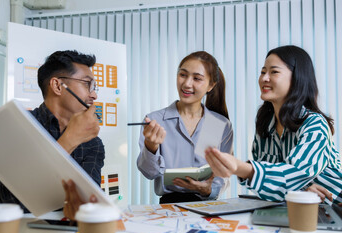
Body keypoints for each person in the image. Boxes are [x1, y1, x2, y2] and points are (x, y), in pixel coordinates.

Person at [205, 45, 342, 204]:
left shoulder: (315, 124)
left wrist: (241, 168)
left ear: (297, 78)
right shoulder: (265, 125)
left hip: (334, 209)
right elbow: (270, 187)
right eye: (263, 72)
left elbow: (297, 173)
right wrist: (301, 191)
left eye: (274, 72)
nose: (264, 78)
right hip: (295, 208)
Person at [0, 50, 104, 219]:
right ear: (58, 86)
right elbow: (9, 202)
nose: (94, 94)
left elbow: (88, 204)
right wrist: (69, 141)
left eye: (94, 87)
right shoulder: (15, 126)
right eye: (86, 84)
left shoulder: (92, 143)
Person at [137, 51, 233, 203]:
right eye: (183, 75)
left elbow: (222, 177)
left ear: (211, 85)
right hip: (169, 207)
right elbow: (149, 173)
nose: (187, 84)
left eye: (197, 78)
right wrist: (151, 146)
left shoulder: (219, 124)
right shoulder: (155, 120)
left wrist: (208, 189)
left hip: (207, 206)